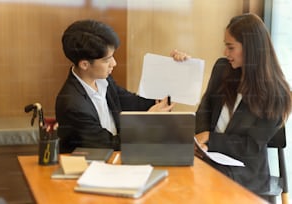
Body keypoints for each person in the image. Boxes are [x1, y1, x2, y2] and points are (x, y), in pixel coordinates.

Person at [171, 13, 291, 196]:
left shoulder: (277, 94)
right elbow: (204, 112)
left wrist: (210, 138)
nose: (225, 53)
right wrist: (199, 142)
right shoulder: (223, 68)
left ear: (250, 49)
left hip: (245, 172)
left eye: (230, 47)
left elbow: (250, 146)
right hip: (209, 159)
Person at [56, 19, 173, 153]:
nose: (114, 63)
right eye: (107, 60)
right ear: (84, 64)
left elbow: (136, 103)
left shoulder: (103, 81)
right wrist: (147, 121)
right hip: (92, 168)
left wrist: (177, 69)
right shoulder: (72, 104)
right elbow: (109, 145)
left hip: (115, 161)